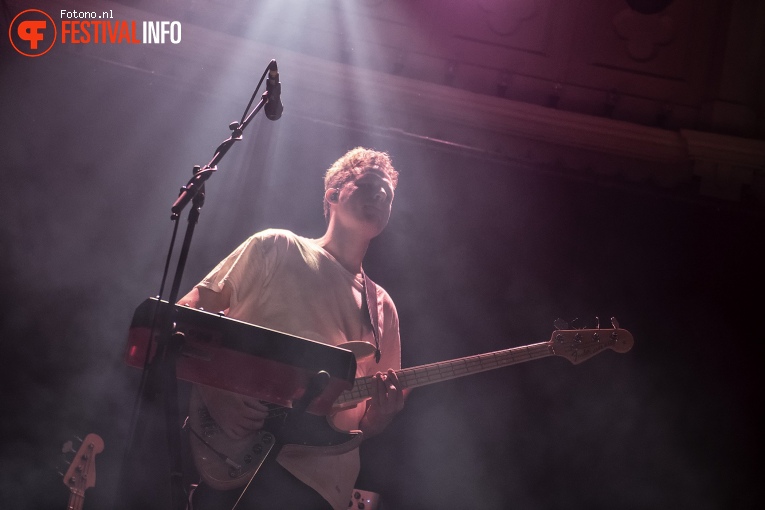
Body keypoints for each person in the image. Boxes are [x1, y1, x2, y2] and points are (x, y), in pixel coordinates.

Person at [179, 147, 406, 510]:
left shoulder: (382, 307)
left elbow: (367, 418)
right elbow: (184, 321)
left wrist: (381, 415)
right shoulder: (277, 246)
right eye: (368, 186)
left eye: (388, 195)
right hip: (237, 457)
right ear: (333, 194)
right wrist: (214, 391)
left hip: (321, 488)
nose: (380, 196)